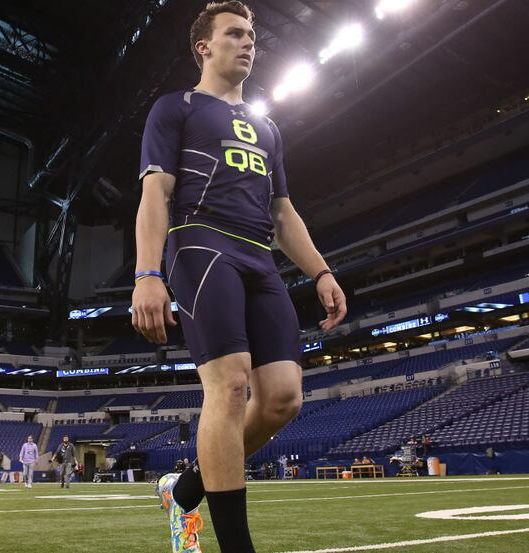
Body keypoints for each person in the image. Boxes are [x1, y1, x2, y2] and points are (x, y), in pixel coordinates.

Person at [133, 3, 347, 551]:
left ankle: (183, 491)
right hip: (200, 242)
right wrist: (147, 273)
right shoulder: (175, 107)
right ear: (203, 46)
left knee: (282, 399)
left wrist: (320, 270)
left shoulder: (269, 127)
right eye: (235, 33)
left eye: (252, 35)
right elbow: (154, 192)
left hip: (259, 256)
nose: (248, 42)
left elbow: (283, 213)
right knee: (229, 387)